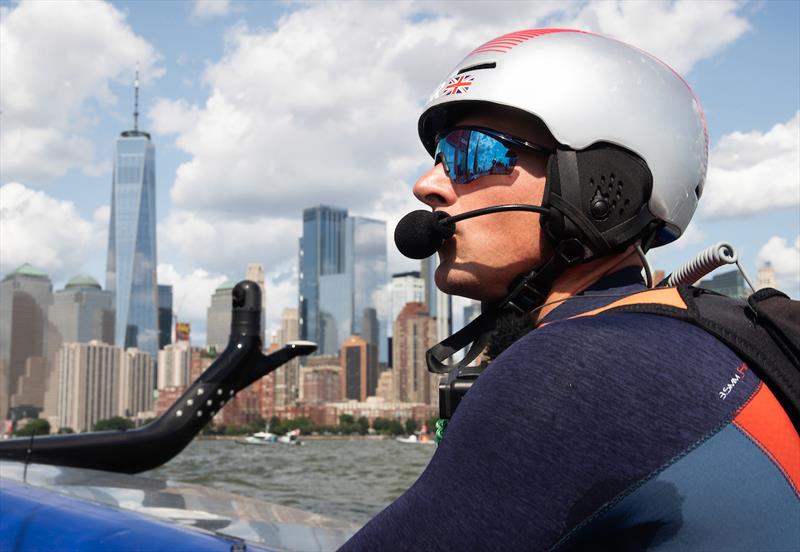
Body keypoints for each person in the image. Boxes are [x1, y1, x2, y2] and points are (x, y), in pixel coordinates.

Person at [342, 29, 799, 551]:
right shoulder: (686, 331)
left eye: (472, 154)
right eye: (441, 154)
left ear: (599, 185)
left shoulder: (579, 369)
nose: (426, 184)